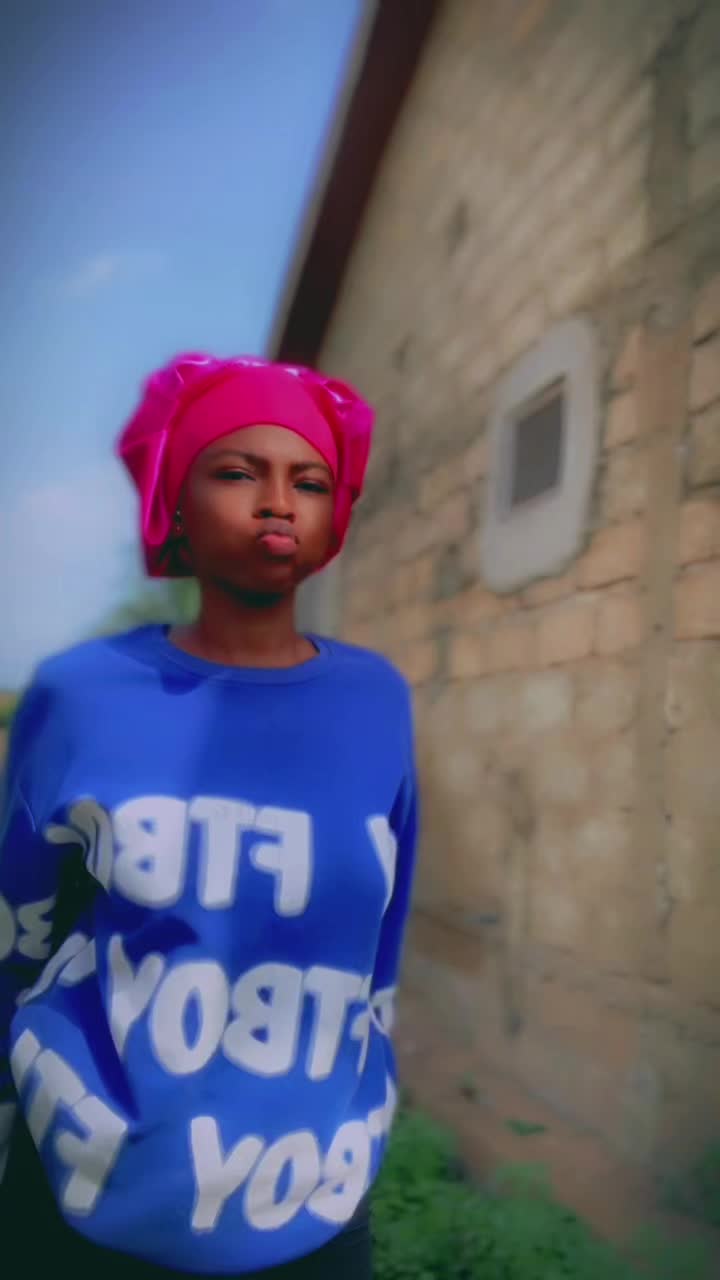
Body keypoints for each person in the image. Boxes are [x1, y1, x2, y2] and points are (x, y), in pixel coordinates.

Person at [0, 354, 418, 1278]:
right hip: (86, 1196)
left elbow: (380, 941)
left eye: (309, 481)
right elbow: (18, 926)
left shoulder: (376, 701)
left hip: (310, 1203)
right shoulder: (81, 696)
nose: (278, 503)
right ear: (175, 506)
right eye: (237, 473)